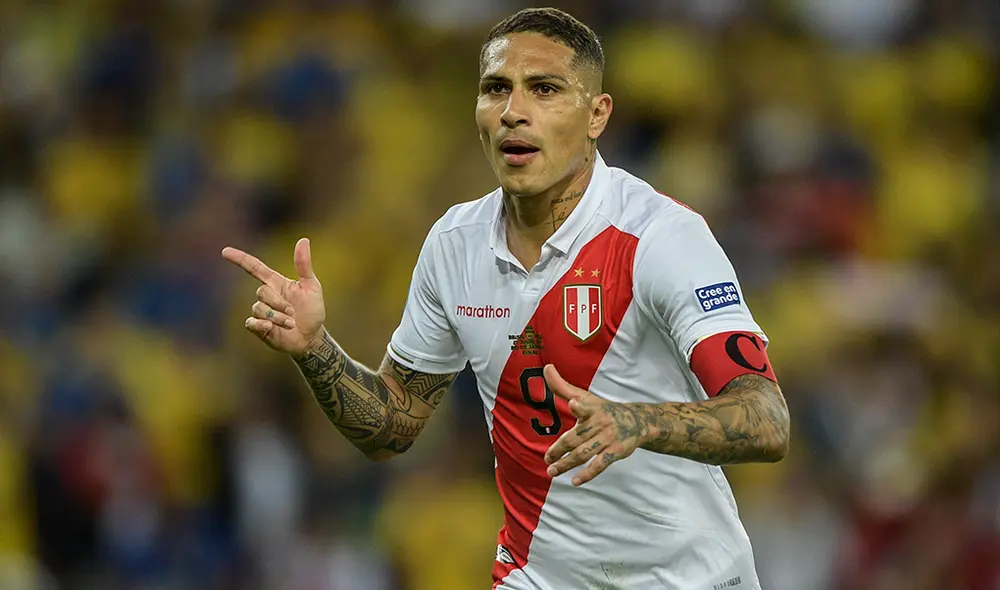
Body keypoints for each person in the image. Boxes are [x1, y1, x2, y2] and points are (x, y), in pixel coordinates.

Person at [222, 7, 790, 589]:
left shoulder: (660, 237)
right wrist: (315, 349)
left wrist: (640, 420)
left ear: (596, 114)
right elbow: (394, 426)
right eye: (496, 89)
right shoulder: (454, 244)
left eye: (544, 89)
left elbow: (767, 419)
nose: (514, 112)